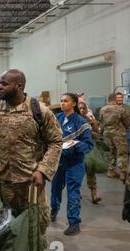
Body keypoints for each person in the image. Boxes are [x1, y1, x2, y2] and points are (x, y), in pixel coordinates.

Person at [0, 69, 63, 249]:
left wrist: (42, 170)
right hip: (4, 185)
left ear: (19, 86)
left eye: (4, 84)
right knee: (5, 230)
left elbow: (55, 142)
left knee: (35, 231)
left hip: (31, 186)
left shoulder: (39, 111)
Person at [51, 93, 94, 236]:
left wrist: (76, 144)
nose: (62, 103)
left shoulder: (81, 122)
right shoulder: (58, 118)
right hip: (58, 161)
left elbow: (88, 144)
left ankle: (74, 223)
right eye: (61, 101)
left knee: (73, 193)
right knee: (55, 189)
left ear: (74, 104)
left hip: (74, 163)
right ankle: (54, 210)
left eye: (66, 101)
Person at [99, 93, 130, 181]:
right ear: (115, 99)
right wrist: (126, 128)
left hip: (107, 134)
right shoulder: (120, 109)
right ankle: (123, 173)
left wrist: (101, 133)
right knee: (122, 153)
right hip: (118, 134)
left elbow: (101, 123)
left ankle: (110, 171)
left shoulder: (102, 109)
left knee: (110, 152)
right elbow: (126, 121)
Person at [79, 102, 102, 204]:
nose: (82, 110)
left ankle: (94, 195)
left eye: (84, 108)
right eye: (80, 108)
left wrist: (93, 124)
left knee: (91, 170)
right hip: (78, 150)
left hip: (89, 150)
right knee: (78, 173)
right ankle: (76, 192)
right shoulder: (73, 120)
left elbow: (97, 135)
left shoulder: (90, 121)